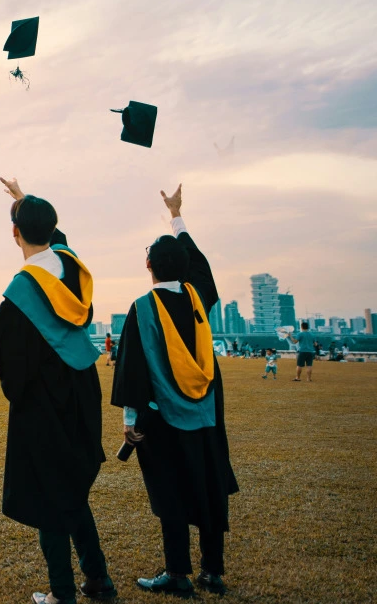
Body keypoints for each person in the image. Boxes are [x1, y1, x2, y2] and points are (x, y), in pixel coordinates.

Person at [0, 178, 114, 604]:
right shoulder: (72, 267)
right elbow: (57, 239)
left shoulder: (23, 291)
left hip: (44, 399)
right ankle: (97, 578)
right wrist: (25, 200)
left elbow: (1, 346)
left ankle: (62, 593)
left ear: (15, 232)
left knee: (48, 493)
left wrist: (19, 390)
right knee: (71, 487)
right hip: (83, 387)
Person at [110, 184, 239, 597]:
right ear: (183, 267)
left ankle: (178, 574)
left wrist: (130, 419)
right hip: (206, 415)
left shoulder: (143, 307)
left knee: (171, 492)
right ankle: (213, 572)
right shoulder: (198, 299)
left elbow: (132, 368)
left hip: (162, 417)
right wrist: (176, 216)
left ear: (148, 264)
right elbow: (200, 267)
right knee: (209, 486)